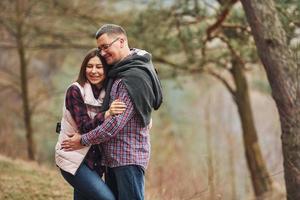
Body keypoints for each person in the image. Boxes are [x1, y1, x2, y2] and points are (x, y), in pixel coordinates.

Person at [61, 24, 163, 200]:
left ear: (121, 41)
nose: (102, 52)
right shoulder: (119, 72)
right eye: (100, 48)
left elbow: (114, 125)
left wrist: (82, 140)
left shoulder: (132, 77)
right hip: (111, 159)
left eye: (105, 47)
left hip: (127, 157)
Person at [55, 48, 126, 200]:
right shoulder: (75, 91)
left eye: (99, 67)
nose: (94, 71)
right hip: (74, 159)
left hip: (95, 162)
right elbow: (84, 127)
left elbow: (126, 111)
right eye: (89, 66)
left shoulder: (109, 94)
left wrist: (144, 120)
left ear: (106, 70)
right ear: (84, 68)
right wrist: (107, 114)